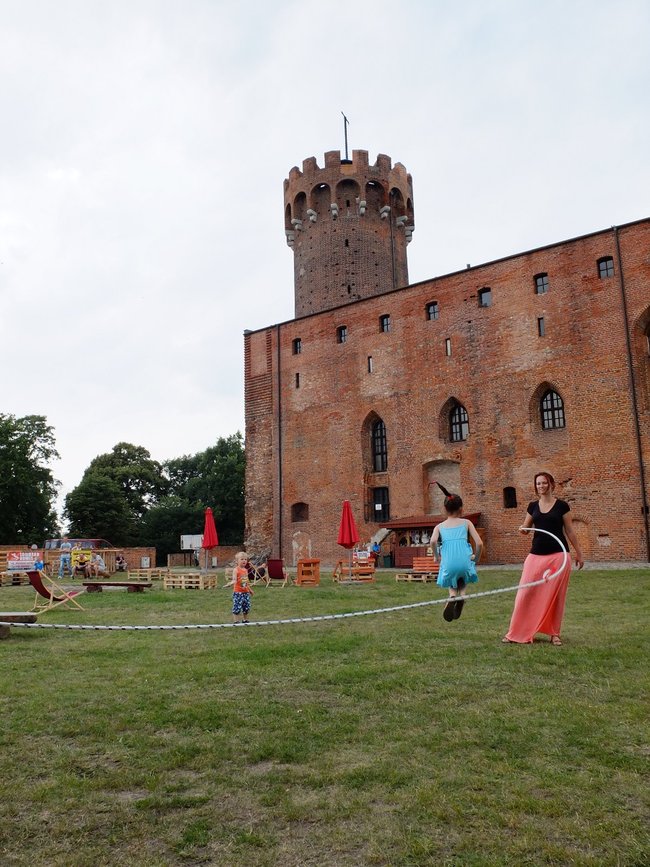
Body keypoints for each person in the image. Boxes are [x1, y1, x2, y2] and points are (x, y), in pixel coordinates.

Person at [503, 471, 584, 646]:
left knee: (555, 597)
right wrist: (522, 529)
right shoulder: (533, 506)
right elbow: (526, 528)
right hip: (536, 555)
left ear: (551, 484)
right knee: (524, 594)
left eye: (544, 483)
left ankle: (554, 634)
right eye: (538, 483)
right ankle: (515, 633)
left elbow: (570, 531)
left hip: (558, 556)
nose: (541, 486)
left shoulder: (562, 506)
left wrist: (579, 553)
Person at [430, 492, 483, 622]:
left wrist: (436, 556)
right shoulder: (467, 523)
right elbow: (479, 543)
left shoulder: (439, 526)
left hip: (449, 562)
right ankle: (462, 596)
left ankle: (452, 596)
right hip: (464, 561)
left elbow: (433, 541)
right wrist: (476, 558)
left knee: (452, 579)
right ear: (461, 508)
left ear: (444, 509)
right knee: (463, 577)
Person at [224, 552, 254, 624]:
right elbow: (234, 580)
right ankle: (236, 621)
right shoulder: (236, 570)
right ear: (237, 561)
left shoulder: (245, 570)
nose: (244, 561)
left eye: (245, 559)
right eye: (242, 559)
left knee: (246, 607)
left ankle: (245, 620)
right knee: (237, 607)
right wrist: (230, 584)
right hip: (238, 592)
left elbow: (245, 582)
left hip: (245, 592)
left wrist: (250, 590)